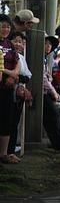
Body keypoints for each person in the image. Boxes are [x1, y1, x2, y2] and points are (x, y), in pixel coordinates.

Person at [7, 32, 32, 156]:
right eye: (15, 41)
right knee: (8, 122)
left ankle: (11, 150)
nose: (18, 44)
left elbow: (28, 76)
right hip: (7, 93)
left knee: (15, 122)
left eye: (21, 42)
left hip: (18, 95)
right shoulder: (6, 55)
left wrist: (18, 78)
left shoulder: (21, 57)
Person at [0, 15, 21, 164]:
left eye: (7, 26)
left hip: (8, 87)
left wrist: (14, 74)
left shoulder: (10, 43)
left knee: (7, 119)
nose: (5, 29)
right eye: (2, 26)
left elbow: (18, 60)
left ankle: (4, 153)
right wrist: (11, 73)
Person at [43, 34, 60, 152]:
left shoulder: (46, 58)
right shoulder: (40, 58)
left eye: (50, 44)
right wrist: (53, 92)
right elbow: (44, 79)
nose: (48, 46)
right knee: (53, 112)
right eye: (45, 43)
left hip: (47, 90)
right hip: (43, 92)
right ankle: (59, 144)